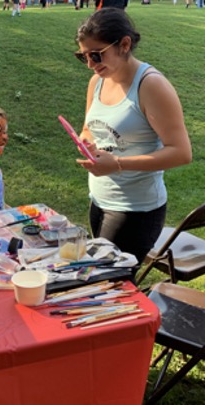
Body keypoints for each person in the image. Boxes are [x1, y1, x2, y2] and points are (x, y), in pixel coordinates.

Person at [73, 9, 191, 266]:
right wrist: (86, 141)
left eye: (96, 55)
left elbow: (181, 152)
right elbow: (88, 127)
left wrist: (117, 164)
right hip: (99, 200)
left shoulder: (151, 85)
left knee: (110, 289)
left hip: (136, 210)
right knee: (99, 284)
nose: (91, 65)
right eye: (84, 57)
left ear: (124, 44)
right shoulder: (97, 81)